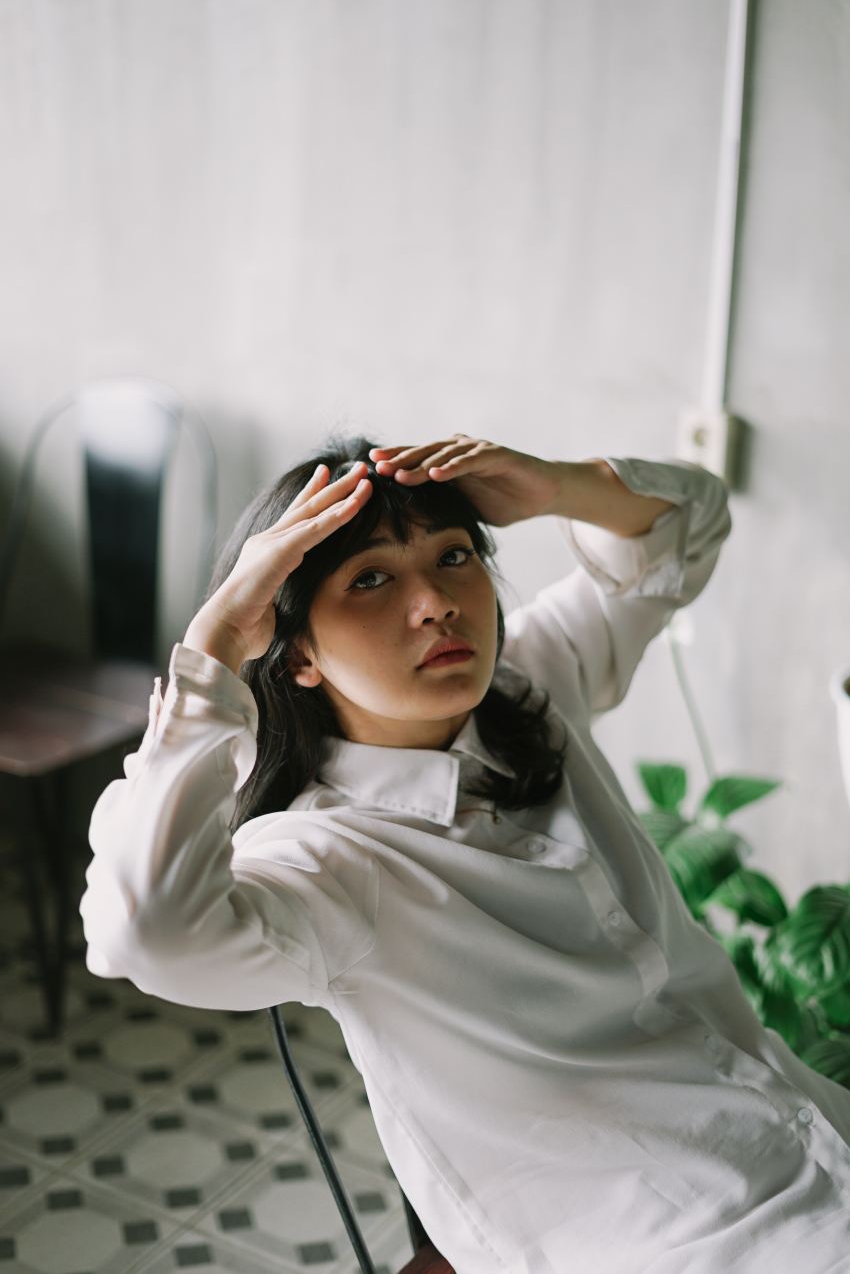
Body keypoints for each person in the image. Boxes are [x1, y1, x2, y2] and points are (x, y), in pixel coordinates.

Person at [80, 432, 850, 1274]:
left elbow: (688, 524)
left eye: (453, 557)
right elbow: (141, 931)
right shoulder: (328, 858)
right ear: (295, 652)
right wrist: (219, 636)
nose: (436, 603)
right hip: (671, 1233)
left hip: (800, 1127)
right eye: (370, 578)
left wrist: (554, 483)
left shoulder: (526, 691)